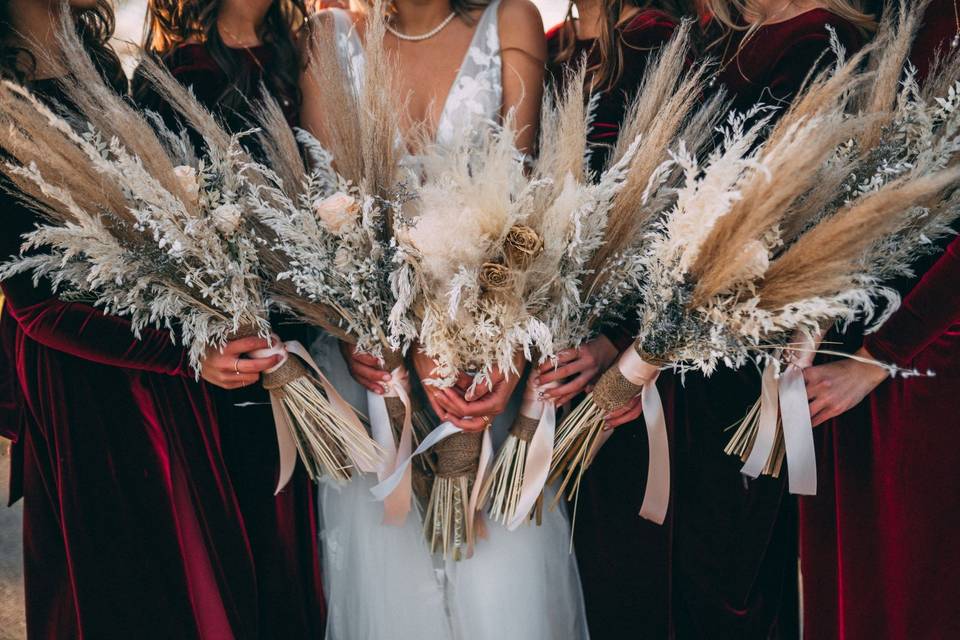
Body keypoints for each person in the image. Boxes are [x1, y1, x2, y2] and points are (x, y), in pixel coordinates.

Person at [300, 1, 589, 638]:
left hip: (484, 357)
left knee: (499, 580)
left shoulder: (509, 19)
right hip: (375, 371)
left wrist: (503, 357)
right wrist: (365, 336)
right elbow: (327, 214)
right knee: (395, 588)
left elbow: (523, 218)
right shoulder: (332, 35)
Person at [0, 1, 277, 637]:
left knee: (194, 570)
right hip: (85, 377)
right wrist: (182, 354)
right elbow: (34, 303)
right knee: (126, 585)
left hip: (163, 355)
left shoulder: (100, 63)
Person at [660, 2, 872, 638]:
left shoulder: (825, 37)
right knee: (688, 568)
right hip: (689, 345)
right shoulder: (715, 33)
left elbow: (817, 200)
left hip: (762, 352)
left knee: (741, 579)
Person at [138, 3, 326, 637]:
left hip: (325, 339)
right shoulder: (170, 79)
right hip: (238, 356)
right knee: (261, 551)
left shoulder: (313, 57)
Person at [799, 3, 960, 637]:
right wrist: (811, 303)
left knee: (920, 589)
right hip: (854, 345)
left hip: (928, 360)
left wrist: (880, 356)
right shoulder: (899, 15)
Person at [540, 1, 683, 636]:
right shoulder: (544, 48)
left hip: (635, 356)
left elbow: (678, 207)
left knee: (628, 558)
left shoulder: (661, 39)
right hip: (553, 347)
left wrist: (618, 341)